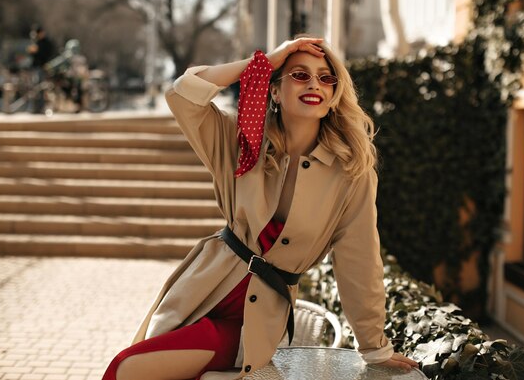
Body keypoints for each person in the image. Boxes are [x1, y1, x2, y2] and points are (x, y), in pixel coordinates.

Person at [102, 36, 419, 380]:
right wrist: (265, 61)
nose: (314, 84)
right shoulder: (242, 142)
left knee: (128, 369)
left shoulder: (351, 172)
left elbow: (359, 259)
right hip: (204, 287)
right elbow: (182, 94)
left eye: (326, 78)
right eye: (299, 74)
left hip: (255, 318)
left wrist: (375, 347)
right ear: (275, 92)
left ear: (333, 97)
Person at [27, 25, 56, 113]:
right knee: (35, 89)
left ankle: (40, 108)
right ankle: (35, 108)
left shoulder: (45, 43)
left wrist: (37, 52)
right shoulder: (37, 42)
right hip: (36, 67)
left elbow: (45, 54)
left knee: (40, 88)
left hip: (42, 67)